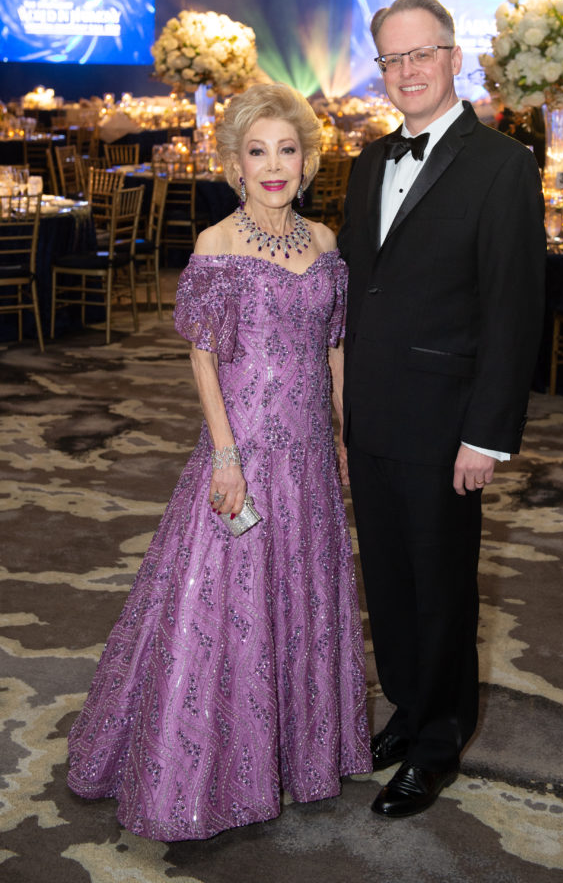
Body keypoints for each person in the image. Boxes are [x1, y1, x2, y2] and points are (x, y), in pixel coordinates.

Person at [67, 82, 372, 841]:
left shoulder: (326, 245)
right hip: (247, 452)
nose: (274, 166)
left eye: (287, 150)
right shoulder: (217, 246)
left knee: (304, 599)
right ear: (235, 164)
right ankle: (201, 772)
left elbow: (333, 351)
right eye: (257, 152)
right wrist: (226, 456)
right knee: (220, 607)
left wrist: (341, 437)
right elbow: (203, 362)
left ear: (307, 161)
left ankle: (298, 757)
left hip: (307, 458)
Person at [337, 0, 546, 818]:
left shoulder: (501, 165)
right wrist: (345, 417)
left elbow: (513, 311)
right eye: (392, 59)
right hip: (376, 415)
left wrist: (486, 438)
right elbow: (361, 294)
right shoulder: (364, 163)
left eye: (422, 54)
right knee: (387, 583)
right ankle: (408, 707)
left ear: (453, 56)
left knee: (443, 588)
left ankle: (437, 745)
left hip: (449, 422)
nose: (407, 71)